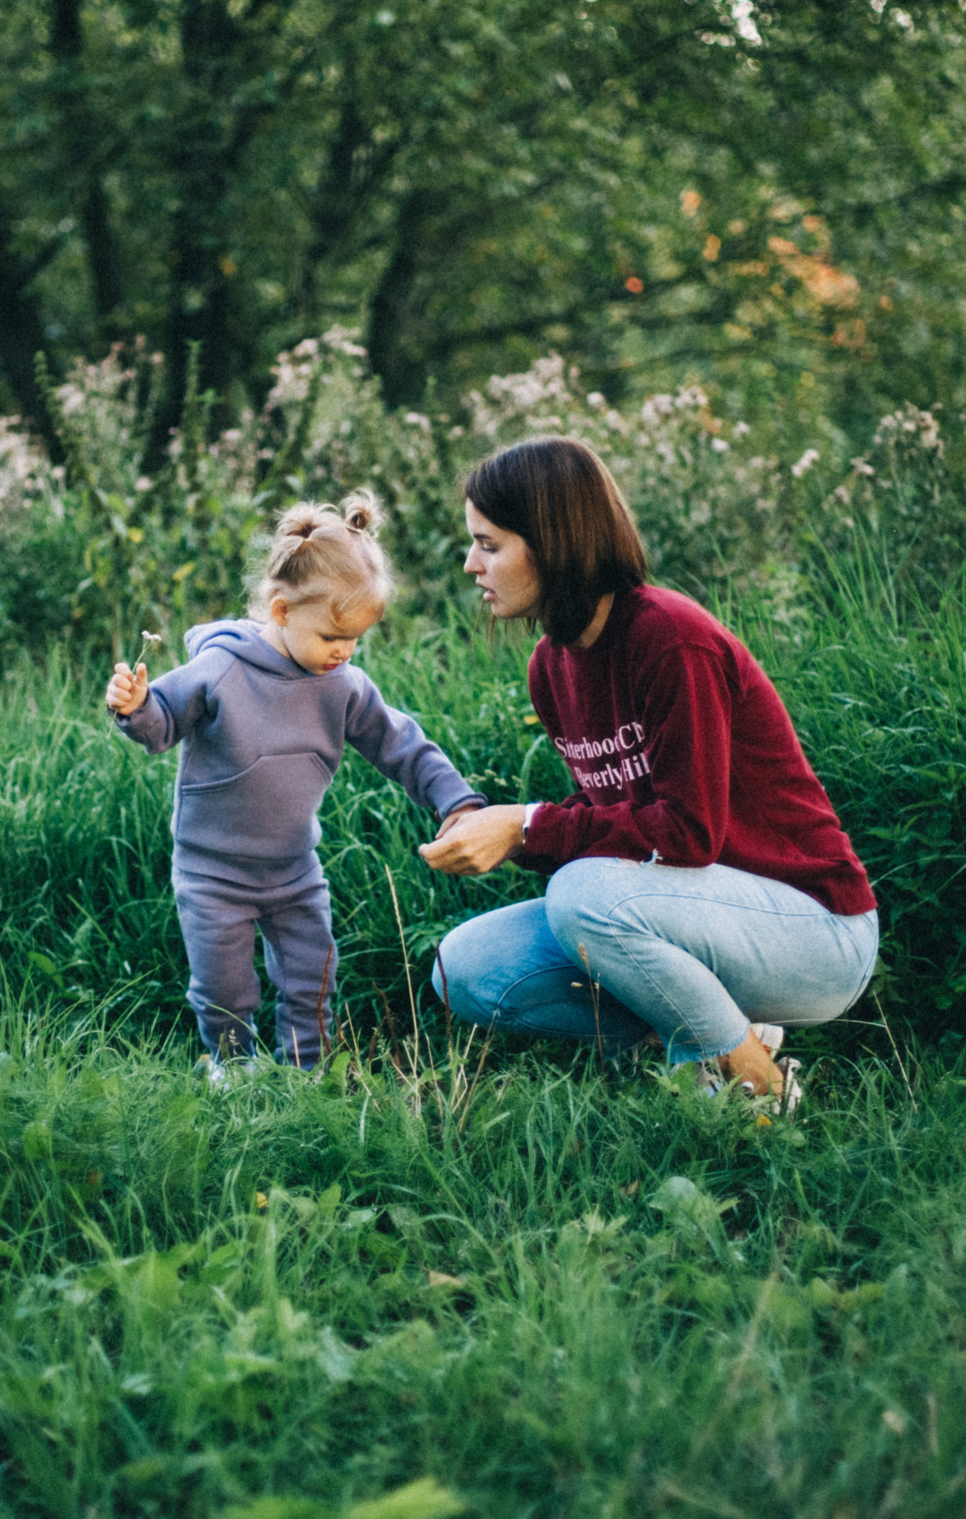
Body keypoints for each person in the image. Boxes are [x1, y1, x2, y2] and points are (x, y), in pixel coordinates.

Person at [417, 437, 877, 1104]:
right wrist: (500, 826)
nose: (470, 564)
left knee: (581, 894)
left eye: (489, 544)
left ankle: (761, 1088)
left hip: (814, 930)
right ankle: (698, 1042)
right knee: (464, 969)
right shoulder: (552, 666)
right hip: (690, 916)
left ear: (552, 541)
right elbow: (618, 822)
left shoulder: (669, 637)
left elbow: (688, 834)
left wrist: (526, 827)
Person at [108, 492, 485, 1071]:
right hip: (213, 874)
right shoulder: (220, 668)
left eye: (355, 639)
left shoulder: (344, 686)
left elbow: (402, 746)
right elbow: (160, 725)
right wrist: (136, 706)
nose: (345, 652)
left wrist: (455, 801)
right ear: (281, 612)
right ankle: (232, 1071)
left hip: (294, 871)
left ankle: (310, 1074)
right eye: (332, 637)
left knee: (313, 979)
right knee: (225, 991)